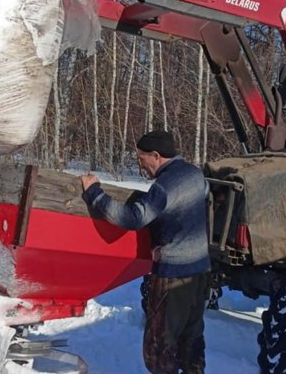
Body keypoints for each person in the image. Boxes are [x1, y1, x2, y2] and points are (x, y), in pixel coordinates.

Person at [80, 130, 210, 374]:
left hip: (174, 274)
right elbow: (189, 212)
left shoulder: (163, 187)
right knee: (191, 341)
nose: (141, 167)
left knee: (158, 349)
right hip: (200, 271)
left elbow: (132, 219)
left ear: (156, 155)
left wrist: (93, 193)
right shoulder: (196, 175)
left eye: (141, 159)